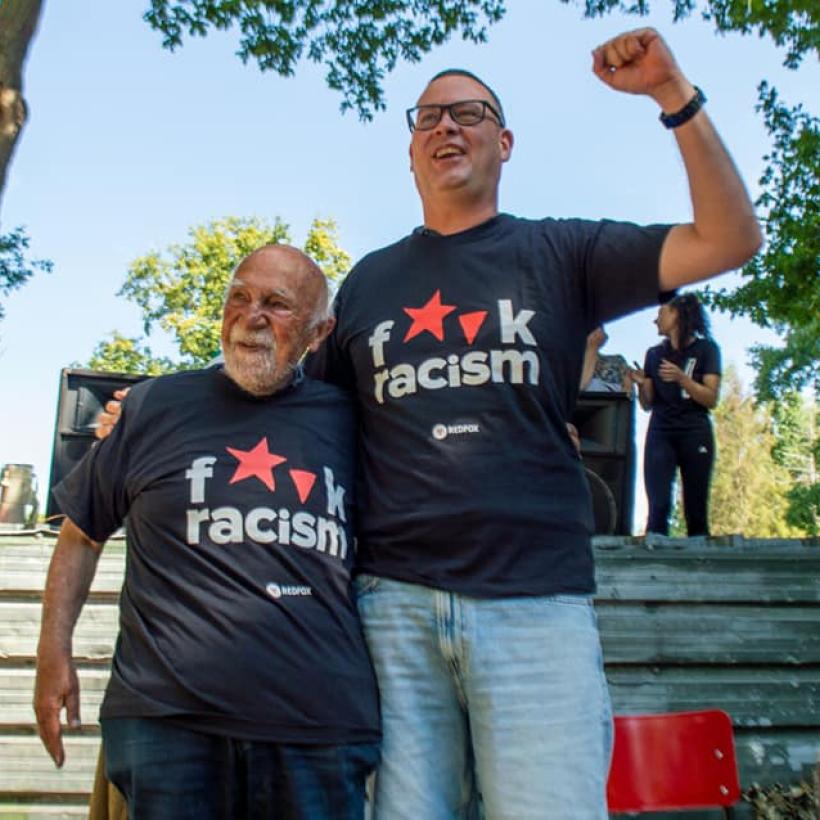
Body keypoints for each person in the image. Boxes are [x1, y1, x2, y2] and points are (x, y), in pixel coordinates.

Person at [95, 28, 761, 820]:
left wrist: (672, 92)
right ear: (411, 154)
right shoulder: (367, 283)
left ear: (504, 143)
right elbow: (284, 403)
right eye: (427, 117)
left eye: (469, 112)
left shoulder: (564, 252)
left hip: (536, 606)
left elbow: (731, 239)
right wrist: (150, 415)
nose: (446, 125)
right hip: (392, 614)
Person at [34, 245, 380, 820]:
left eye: (277, 304)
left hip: (318, 729)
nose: (252, 316)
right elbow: (81, 535)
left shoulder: (357, 420)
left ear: (319, 333)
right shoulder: (153, 405)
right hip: (167, 722)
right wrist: (52, 653)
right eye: (238, 297)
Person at [627, 293, 721, 536]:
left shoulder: (706, 349)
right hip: (661, 431)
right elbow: (647, 404)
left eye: (660, 314)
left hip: (695, 431)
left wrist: (682, 379)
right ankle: (655, 553)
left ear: (677, 315)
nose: (655, 320)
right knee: (658, 506)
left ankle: (699, 555)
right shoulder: (654, 354)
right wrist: (641, 384)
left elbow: (711, 398)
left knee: (695, 508)